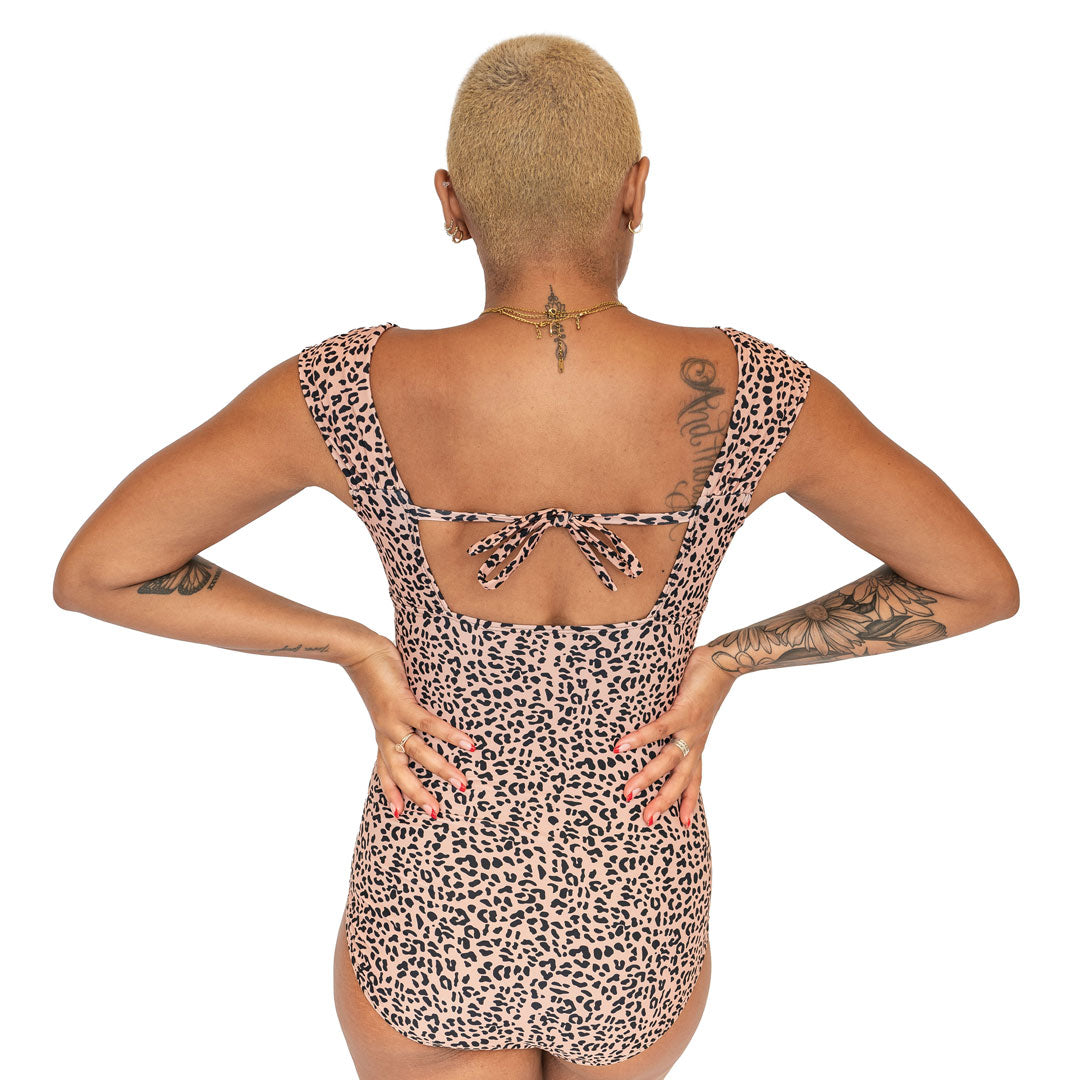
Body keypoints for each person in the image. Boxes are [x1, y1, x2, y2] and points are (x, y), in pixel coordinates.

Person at [52, 32, 1020, 1080]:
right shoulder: (761, 395)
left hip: (432, 894)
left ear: (451, 203)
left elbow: (102, 568)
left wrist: (356, 649)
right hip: (635, 898)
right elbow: (975, 583)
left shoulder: (344, 389)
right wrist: (727, 661)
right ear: (636, 191)